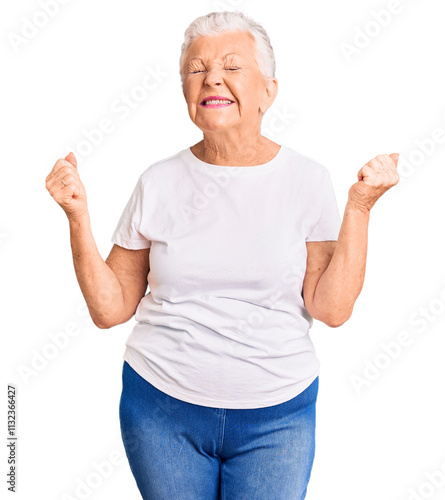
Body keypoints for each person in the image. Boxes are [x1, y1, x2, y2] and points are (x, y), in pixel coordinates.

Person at [45, 10, 399, 500]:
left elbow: (331, 309)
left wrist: (359, 208)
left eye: (233, 66)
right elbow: (111, 310)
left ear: (269, 91)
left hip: (278, 415)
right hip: (161, 410)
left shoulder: (307, 181)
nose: (212, 77)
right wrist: (77, 216)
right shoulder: (158, 182)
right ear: (186, 92)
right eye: (196, 68)